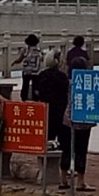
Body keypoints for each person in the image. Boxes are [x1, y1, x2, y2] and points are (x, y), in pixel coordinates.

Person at [30, 50, 71, 186]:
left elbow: (35, 95)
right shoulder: (62, 77)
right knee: (65, 144)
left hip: (45, 113)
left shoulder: (41, 76)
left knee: (46, 142)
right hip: (61, 114)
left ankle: (43, 170)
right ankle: (64, 171)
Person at [18, 34, 44, 100]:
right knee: (35, 86)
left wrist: (15, 62)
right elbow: (42, 59)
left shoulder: (24, 50)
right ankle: (35, 99)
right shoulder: (39, 50)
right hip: (36, 71)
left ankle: (24, 98)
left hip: (26, 71)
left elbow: (20, 59)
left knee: (25, 85)